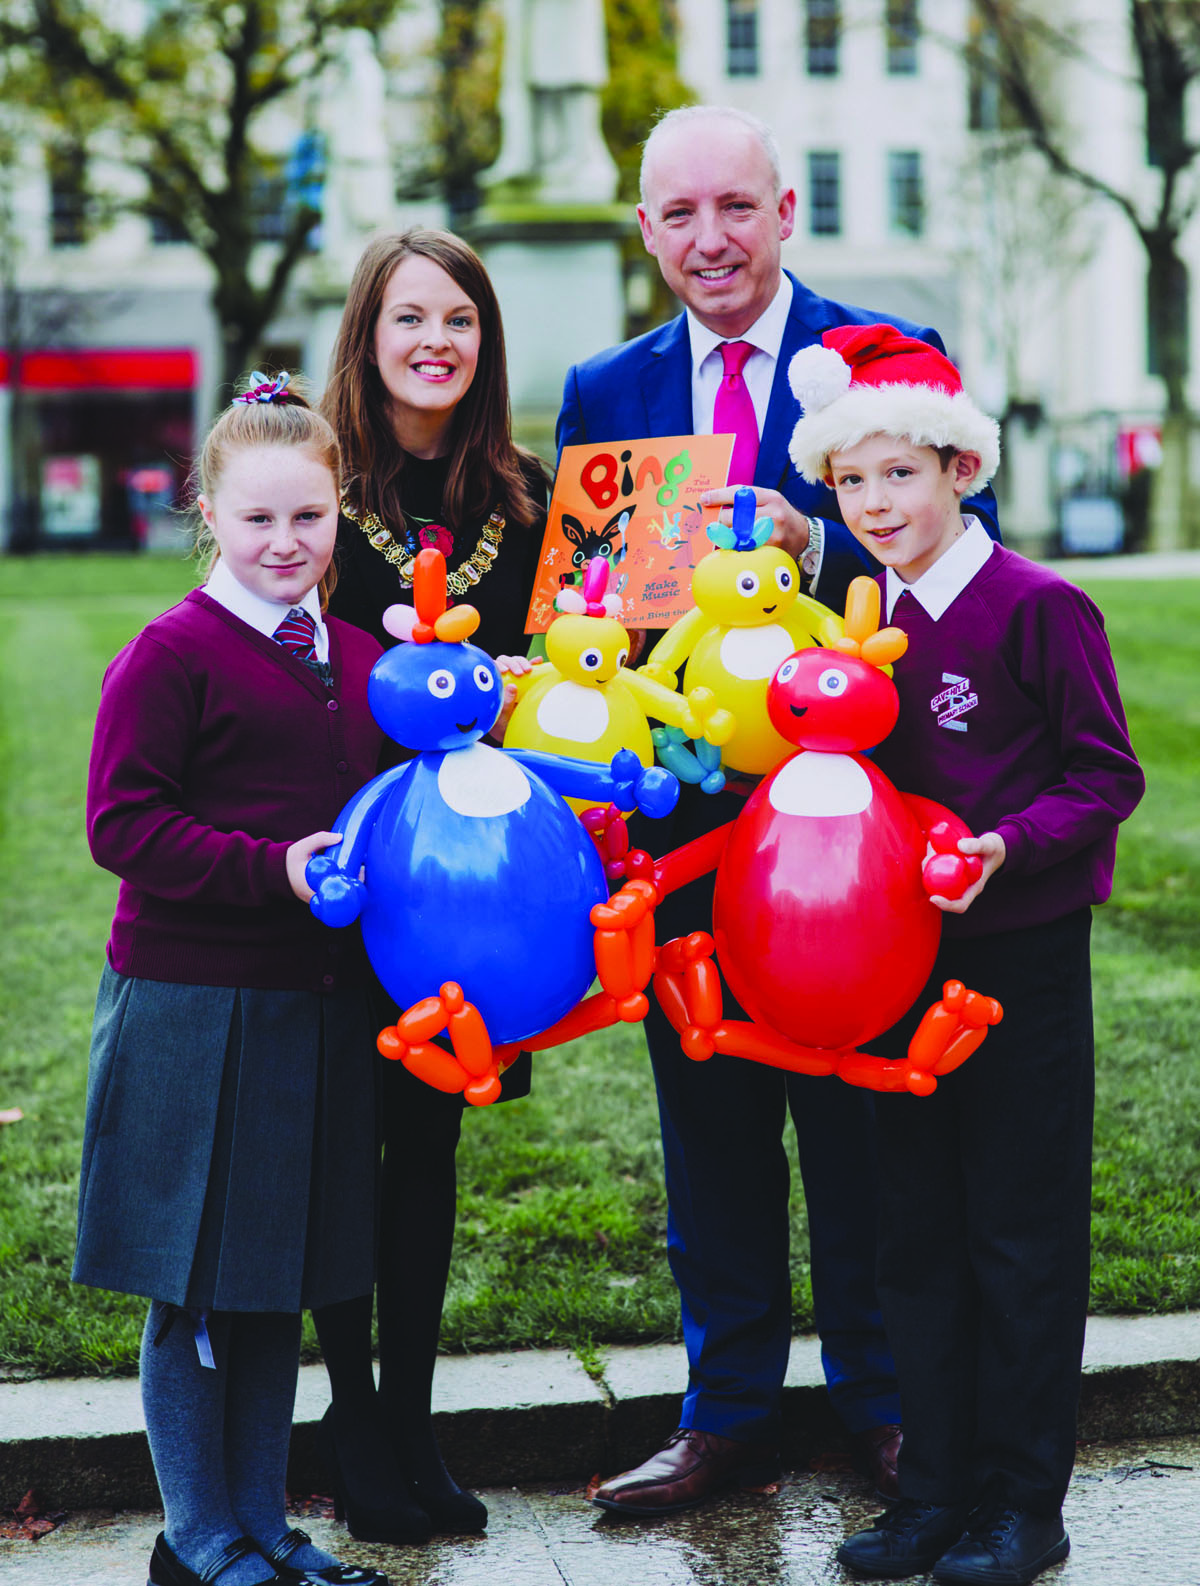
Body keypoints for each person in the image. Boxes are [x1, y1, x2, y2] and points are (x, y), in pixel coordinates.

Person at [558, 104, 1002, 1516]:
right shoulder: (604, 388)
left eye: (735, 208)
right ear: (645, 232)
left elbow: (972, 565)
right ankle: (728, 1408)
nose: (710, 240)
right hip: (686, 825)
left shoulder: (882, 358)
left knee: (862, 1119)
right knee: (712, 1117)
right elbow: (587, 622)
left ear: (788, 209)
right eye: (678, 215)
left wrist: (830, 543)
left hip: (850, 822)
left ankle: (883, 1399)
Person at [784, 324, 1144, 1583]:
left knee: (1017, 1237)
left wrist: (1008, 843)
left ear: (958, 465)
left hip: (1016, 964)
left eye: (899, 474)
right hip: (888, 973)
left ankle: (1019, 1503)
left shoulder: (1039, 607)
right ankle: (931, 1489)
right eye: (851, 482)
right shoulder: (855, 621)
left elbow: (1108, 773)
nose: (876, 504)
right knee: (914, 1236)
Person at [74, 375, 390, 1586]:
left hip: (312, 1001)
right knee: (196, 1287)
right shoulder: (170, 655)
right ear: (210, 512)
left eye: (308, 518)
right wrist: (274, 869)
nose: (284, 543)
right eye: (257, 519)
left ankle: (264, 1520)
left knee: (278, 1279)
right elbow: (121, 826)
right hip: (193, 1003)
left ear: (338, 511)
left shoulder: (357, 659)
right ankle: (196, 1535)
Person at [310, 228, 549, 1543]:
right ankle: (353, 1424)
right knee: (347, 1152)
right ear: (368, 331)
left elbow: (571, 656)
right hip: (351, 869)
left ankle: (414, 1421)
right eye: (410, 318)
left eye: (458, 319)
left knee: (428, 1153)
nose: (435, 342)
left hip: (471, 881)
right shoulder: (318, 478)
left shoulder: (525, 494)